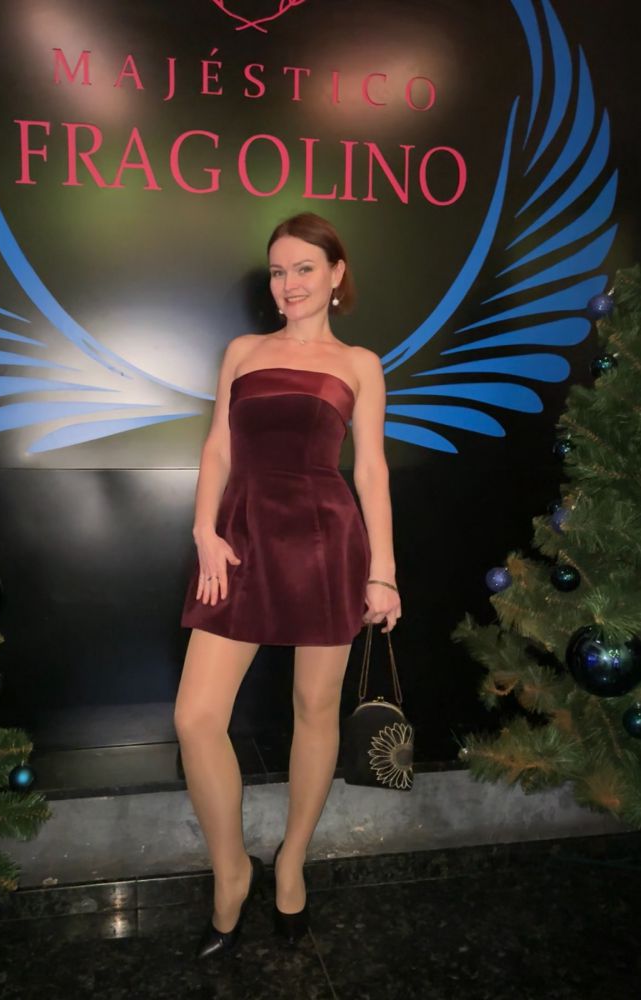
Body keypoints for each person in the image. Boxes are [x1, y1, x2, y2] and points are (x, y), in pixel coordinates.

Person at [175, 211, 401, 960]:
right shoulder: (242, 351)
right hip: (237, 539)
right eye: (278, 271)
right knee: (196, 718)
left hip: (324, 541)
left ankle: (293, 861)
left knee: (314, 709)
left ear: (336, 274)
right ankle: (231, 872)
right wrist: (204, 529)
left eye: (304, 267)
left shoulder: (361, 363)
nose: (289, 283)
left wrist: (383, 572)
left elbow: (371, 470)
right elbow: (217, 448)